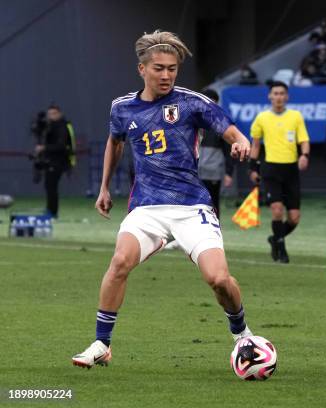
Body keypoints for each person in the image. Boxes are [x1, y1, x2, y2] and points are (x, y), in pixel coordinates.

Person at [71, 30, 254, 369]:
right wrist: (104, 187)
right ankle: (101, 343)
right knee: (119, 262)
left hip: (191, 206)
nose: (167, 75)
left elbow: (225, 125)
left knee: (218, 279)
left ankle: (242, 334)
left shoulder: (191, 102)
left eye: (172, 68)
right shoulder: (122, 108)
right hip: (147, 207)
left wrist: (240, 140)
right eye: (158, 68)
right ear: (142, 69)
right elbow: (115, 142)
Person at [248, 81, 310, 264]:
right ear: (270, 96)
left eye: (282, 93)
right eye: (275, 93)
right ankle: (281, 250)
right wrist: (252, 168)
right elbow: (256, 145)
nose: (279, 97)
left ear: (287, 96)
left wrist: (304, 155)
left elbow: (304, 140)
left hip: (291, 170)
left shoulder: (296, 116)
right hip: (270, 169)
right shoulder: (261, 118)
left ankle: (275, 238)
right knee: (277, 210)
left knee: (294, 218)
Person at [197, 88, 234, 216]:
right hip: (194, 173)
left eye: (211, 102)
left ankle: (215, 232)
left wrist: (229, 173)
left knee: (213, 204)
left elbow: (228, 150)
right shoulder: (193, 121)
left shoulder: (222, 123)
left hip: (213, 172)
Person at [34, 105, 75, 218]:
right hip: (50, 160)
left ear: (59, 114)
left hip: (58, 161)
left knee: (51, 185)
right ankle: (50, 209)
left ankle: (52, 212)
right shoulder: (50, 126)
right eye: (49, 114)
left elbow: (61, 146)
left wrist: (44, 148)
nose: (51, 116)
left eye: (53, 113)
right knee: (49, 185)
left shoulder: (62, 126)